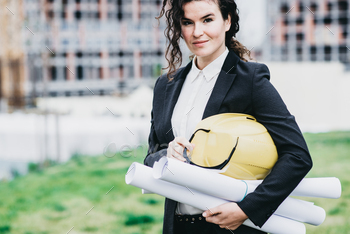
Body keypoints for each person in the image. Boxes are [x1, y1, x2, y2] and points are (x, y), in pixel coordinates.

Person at [144, 0, 313, 233]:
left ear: (227, 21)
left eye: (207, 20)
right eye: (187, 22)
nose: (197, 32)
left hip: (234, 226)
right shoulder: (165, 85)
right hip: (178, 226)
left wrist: (247, 209)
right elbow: (151, 156)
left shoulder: (250, 79)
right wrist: (167, 154)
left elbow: (297, 155)